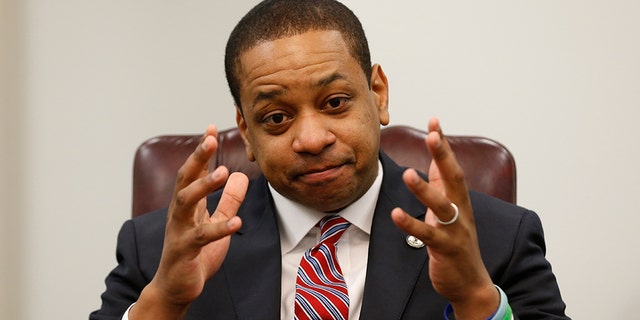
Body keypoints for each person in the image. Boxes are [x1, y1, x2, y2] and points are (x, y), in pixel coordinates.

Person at [90, 0, 569, 319]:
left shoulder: (497, 239)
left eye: (336, 102)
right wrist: (163, 303)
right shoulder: (156, 250)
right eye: (276, 116)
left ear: (377, 94)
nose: (312, 138)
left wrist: (475, 298)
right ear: (246, 131)